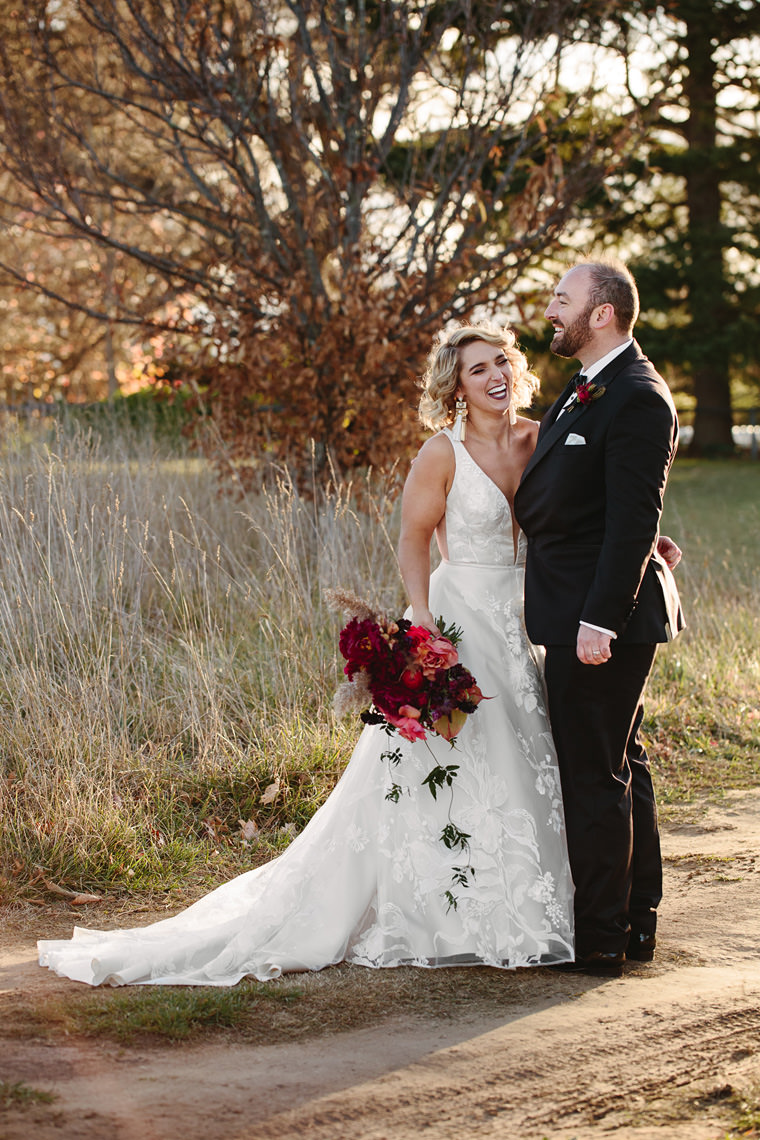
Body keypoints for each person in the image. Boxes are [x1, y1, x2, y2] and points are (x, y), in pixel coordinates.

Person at [38, 322, 575, 987]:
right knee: (442, 757)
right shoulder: (442, 453)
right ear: (455, 388)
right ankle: (444, 909)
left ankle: (518, 901)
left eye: (500, 362)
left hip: (518, 614)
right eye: (475, 370)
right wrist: (423, 622)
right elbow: (412, 540)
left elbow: (579, 514)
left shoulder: (539, 438)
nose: (493, 375)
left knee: (516, 754)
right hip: (456, 617)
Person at [514, 257, 684, 978]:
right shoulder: (590, 388)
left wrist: (601, 621)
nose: (551, 308)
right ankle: (634, 921)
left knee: (592, 774)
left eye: (563, 298)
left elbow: (631, 519)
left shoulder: (637, 396)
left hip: (597, 620)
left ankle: (600, 941)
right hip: (581, 608)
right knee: (620, 765)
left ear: (604, 313)